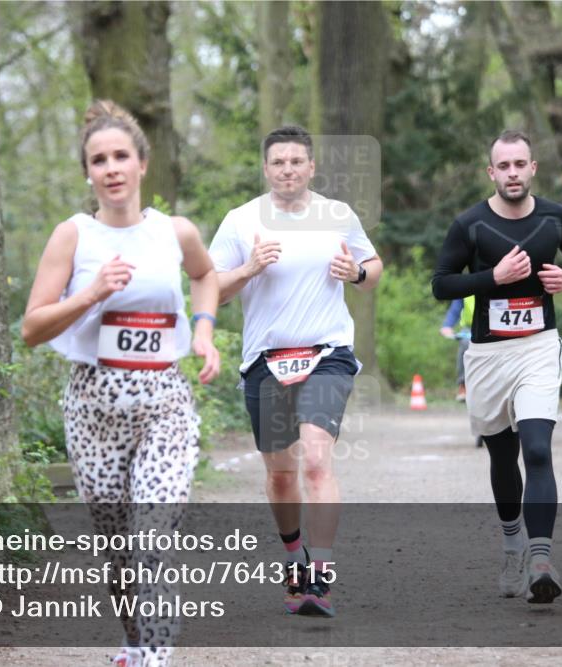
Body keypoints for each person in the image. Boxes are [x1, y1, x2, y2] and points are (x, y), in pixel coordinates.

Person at [21, 100, 220, 667]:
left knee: (153, 532)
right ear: (88, 172)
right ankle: (135, 642)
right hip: (93, 406)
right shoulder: (73, 236)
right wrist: (91, 293)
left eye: (120, 156)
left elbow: (206, 274)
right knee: (116, 548)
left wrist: (203, 331)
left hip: (164, 402)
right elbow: (32, 329)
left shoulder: (174, 232)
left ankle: (156, 654)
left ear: (142, 163)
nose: (111, 168)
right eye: (98, 160)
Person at [208, 126, 383, 617]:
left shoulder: (337, 215)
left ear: (311, 167)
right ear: (266, 169)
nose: (288, 169)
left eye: (296, 161)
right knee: (282, 476)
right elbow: (211, 289)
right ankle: (294, 561)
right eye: (278, 162)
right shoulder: (240, 221)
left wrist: (357, 274)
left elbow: (373, 267)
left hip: (327, 353)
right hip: (266, 361)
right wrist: (248, 269)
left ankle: (320, 578)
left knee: (316, 461)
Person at [432, 130, 562, 604]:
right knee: (503, 458)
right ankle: (511, 546)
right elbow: (441, 284)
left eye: (520, 164)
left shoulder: (557, 216)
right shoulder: (470, 225)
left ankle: (541, 561)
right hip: (487, 356)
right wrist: (492, 278)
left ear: (533, 168)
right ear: (491, 173)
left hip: (538, 347)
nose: (513, 173)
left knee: (537, 449)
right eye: (503, 166)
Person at [439, 295, 475, 401]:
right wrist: (447, 326)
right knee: (465, 344)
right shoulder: (466, 287)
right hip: (470, 328)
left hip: (492, 326)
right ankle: (463, 385)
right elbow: (455, 309)